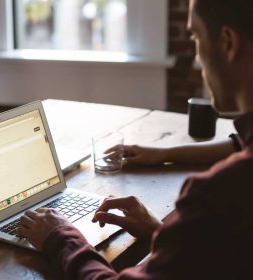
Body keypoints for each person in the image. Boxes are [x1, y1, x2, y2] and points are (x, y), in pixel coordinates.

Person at [17, 0, 253, 278]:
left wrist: (61, 236)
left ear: (228, 43)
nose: (196, 61)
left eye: (196, 37)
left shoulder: (217, 195)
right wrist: (164, 233)